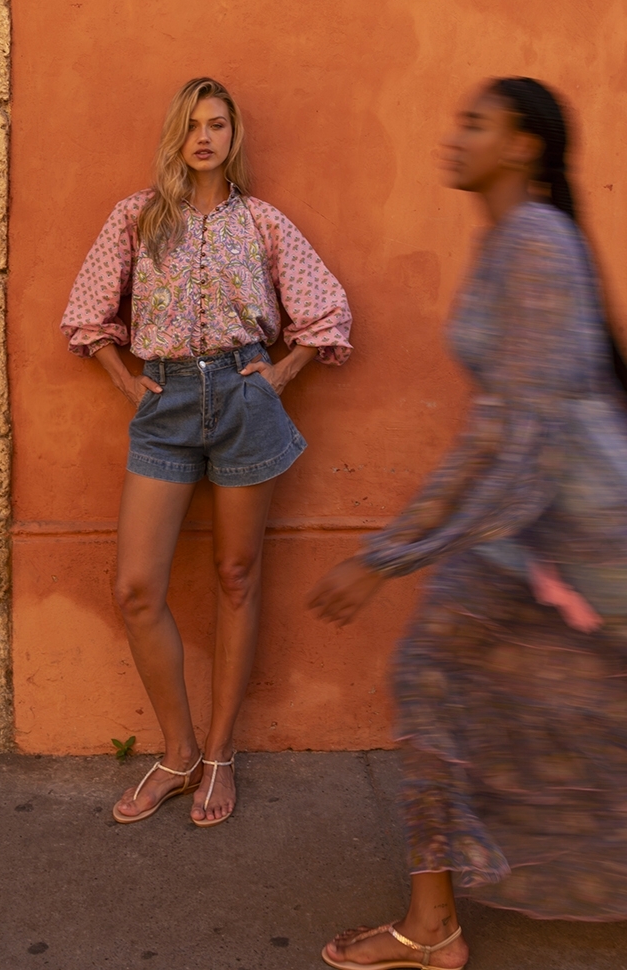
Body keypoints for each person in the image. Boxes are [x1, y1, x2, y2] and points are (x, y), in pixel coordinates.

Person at [308, 78, 627, 969]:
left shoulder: (537, 241)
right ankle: (433, 921)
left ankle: (433, 927)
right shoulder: (509, 240)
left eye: (475, 123)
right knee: (521, 696)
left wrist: (394, 559)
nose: (454, 136)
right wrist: (391, 549)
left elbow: (526, 442)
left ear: (523, 144)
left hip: (571, 529)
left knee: (435, 676)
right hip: (544, 521)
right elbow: (490, 431)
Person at [62, 77, 352, 827]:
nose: (204, 137)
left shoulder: (261, 221)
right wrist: (125, 380)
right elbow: (87, 311)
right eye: (191, 124)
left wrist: (282, 373)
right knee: (136, 588)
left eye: (217, 124)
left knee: (235, 575)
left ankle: (220, 753)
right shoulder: (137, 218)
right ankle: (179, 751)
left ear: (233, 136)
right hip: (165, 406)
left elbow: (326, 308)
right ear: (176, 134)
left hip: (243, 396)